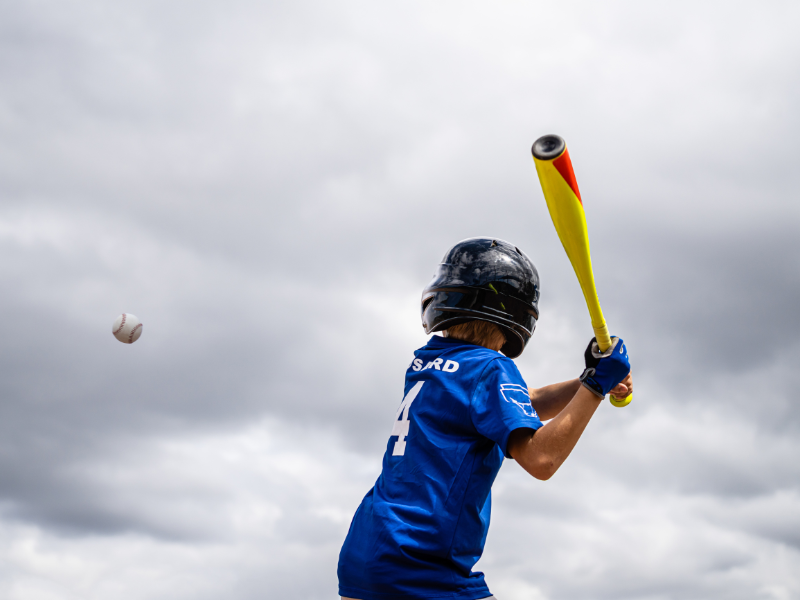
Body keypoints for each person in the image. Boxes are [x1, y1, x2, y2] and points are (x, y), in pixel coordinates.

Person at [338, 237, 632, 600]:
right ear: (517, 315)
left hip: (369, 548)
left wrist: (588, 379)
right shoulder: (491, 367)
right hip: (421, 561)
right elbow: (541, 460)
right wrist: (594, 388)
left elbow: (520, 404)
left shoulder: (430, 362)